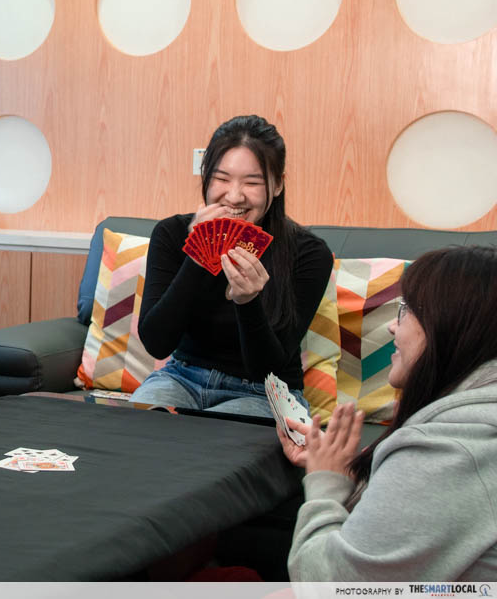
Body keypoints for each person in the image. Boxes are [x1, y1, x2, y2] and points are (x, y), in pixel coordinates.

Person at [279, 245, 497, 581]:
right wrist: (344, 468)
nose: (392, 329)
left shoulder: (446, 450)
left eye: (406, 311)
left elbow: (327, 584)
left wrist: (327, 481)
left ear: (449, 324)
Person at [130, 115, 333, 416]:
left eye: (252, 182)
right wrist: (198, 255)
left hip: (264, 392)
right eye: (222, 179)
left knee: (220, 448)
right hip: (181, 378)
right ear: (205, 177)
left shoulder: (309, 254)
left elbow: (268, 369)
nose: (234, 196)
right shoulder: (171, 234)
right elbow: (157, 343)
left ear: (278, 185)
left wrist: (247, 301)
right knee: (133, 426)